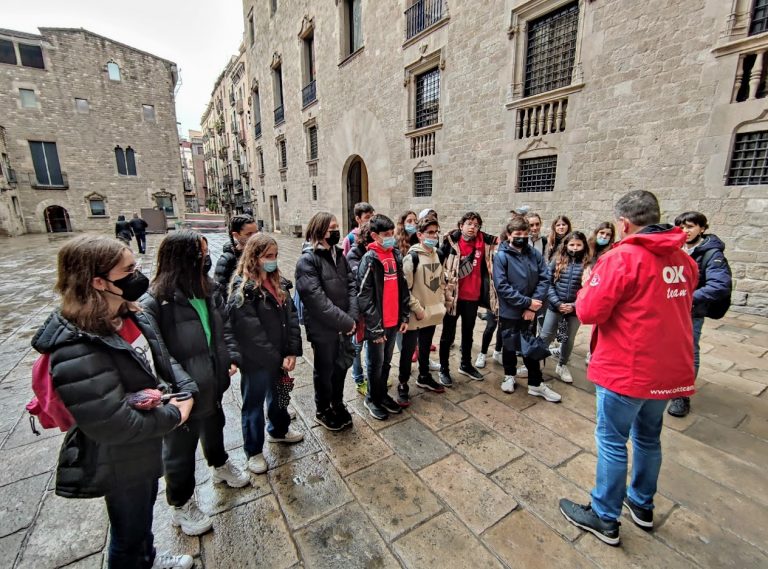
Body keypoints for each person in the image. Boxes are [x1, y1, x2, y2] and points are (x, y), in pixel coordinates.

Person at [31, 235, 195, 569]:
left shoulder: (132, 314)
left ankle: (146, 558)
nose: (138, 275)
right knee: (127, 532)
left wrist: (186, 388)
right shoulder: (76, 348)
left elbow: (161, 359)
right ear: (98, 281)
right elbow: (113, 422)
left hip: (146, 444)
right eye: (129, 269)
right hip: (119, 457)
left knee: (142, 518)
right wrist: (173, 416)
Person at [559, 190, 698, 547]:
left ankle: (604, 516)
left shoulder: (621, 258)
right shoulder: (683, 258)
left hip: (629, 366)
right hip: (668, 368)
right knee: (649, 437)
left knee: (612, 441)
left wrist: (589, 284)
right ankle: (641, 503)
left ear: (623, 223)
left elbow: (589, 311)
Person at [141, 231, 249, 537]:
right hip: (182, 393)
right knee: (179, 450)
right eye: (199, 254)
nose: (206, 259)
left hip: (213, 380)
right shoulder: (155, 302)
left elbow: (224, 325)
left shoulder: (208, 288)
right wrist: (184, 388)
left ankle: (220, 466)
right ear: (181, 259)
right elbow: (159, 355)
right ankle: (181, 503)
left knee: (215, 425)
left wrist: (231, 356)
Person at [228, 234, 304, 474]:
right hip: (257, 361)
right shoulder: (244, 289)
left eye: (275, 256)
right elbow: (252, 333)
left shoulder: (278, 282)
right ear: (254, 257)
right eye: (267, 256)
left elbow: (291, 317)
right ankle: (254, 451)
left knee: (281, 395)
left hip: (282, 357)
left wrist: (292, 350)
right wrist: (276, 357)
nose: (272, 261)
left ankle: (279, 430)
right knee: (253, 404)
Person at [295, 212, 358, 431]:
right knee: (325, 370)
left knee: (341, 367)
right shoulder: (307, 260)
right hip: (324, 330)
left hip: (344, 325)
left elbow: (352, 285)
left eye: (337, 226)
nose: (336, 231)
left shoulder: (339, 255)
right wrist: (346, 322)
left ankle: (337, 402)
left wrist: (352, 317)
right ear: (320, 230)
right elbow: (317, 301)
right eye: (332, 227)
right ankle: (323, 409)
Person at [668, 211, 732, 418]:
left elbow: (720, 285)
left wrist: (685, 297)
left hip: (690, 311)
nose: (685, 231)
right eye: (681, 227)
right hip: (668, 309)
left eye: (690, 227)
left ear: (702, 228)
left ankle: (681, 395)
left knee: (688, 352)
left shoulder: (711, 254)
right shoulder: (674, 248)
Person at [493, 215, 560, 401]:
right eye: (517, 234)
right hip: (510, 310)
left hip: (529, 310)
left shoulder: (534, 254)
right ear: (509, 235)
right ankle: (509, 375)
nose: (521, 236)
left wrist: (532, 305)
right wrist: (526, 302)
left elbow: (544, 278)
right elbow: (502, 286)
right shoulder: (502, 256)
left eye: (524, 233)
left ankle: (535, 383)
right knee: (508, 344)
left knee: (529, 345)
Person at [357, 214, 410, 419]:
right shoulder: (370, 259)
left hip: (393, 321)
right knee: (374, 363)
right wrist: (375, 327)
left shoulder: (395, 255)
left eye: (391, 234)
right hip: (377, 325)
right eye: (386, 235)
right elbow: (364, 296)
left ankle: (381, 394)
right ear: (374, 236)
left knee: (387, 362)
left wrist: (404, 316)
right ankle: (371, 398)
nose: (390, 238)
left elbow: (403, 288)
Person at [438, 212, 498, 386]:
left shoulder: (483, 243)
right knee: (447, 335)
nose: (473, 227)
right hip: (453, 297)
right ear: (461, 225)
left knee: (468, 333)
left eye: (476, 225)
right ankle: (444, 368)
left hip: (473, 297)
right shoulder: (450, 243)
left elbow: (500, 240)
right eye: (469, 223)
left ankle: (465, 364)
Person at [398, 216, 447, 404]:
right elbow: (405, 289)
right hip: (415, 313)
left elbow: (439, 281)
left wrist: (443, 300)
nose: (434, 236)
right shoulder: (412, 257)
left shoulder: (438, 254)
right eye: (430, 233)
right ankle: (403, 383)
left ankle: (424, 376)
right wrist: (417, 309)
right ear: (419, 235)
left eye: (436, 232)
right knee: (409, 350)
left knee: (426, 347)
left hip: (432, 311)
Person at [538, 231, 591, 383]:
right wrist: (557, 303)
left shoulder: (587, 264)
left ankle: (562, 365)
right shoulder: (557, 260)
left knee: (568, 338)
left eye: (578, 245)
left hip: (575, 309)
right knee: (546, 335)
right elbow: (547, 282)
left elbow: (588, 289)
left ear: (584, 245)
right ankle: (536, 362)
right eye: (572, 244)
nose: (575, 248)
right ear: (566, 245)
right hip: (556, 306)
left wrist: (574, 305)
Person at [346, 222, 370, 395]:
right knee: (357, 346)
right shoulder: (354, 254)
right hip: (359, 309)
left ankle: (369, 376)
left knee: (369, 344)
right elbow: (359, 282)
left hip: (371, 310)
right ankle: (358, 378)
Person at [213, 214, 259, 305]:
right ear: (236, 235)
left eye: (256, 233)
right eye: (249, 234)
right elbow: (221, 294)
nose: (255, 237)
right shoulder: (226, 261)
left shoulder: (261, 254)